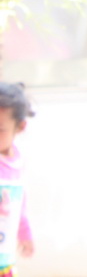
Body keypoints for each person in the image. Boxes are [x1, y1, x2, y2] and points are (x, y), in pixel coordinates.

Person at [0, 83, 34, 276]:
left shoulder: (18, 161)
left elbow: (20, 201)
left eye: (0, 129)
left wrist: (25, 232)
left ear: (20, 126)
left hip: (4, 258)